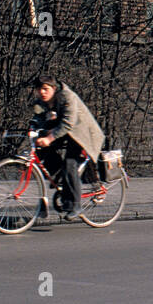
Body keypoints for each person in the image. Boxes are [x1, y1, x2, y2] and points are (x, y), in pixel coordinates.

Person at [29, 75, 105, 222]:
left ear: (54, 88)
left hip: (82, 134)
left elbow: (68, 123)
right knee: (43, 151)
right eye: (39, 89)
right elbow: (37, 118)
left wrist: (50, 138)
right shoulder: (41, 101)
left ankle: (75, 205)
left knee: (70, 164)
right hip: (65, 133)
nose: (42, 92)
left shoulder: (68, 96)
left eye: (45, 89)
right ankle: (63, 185)